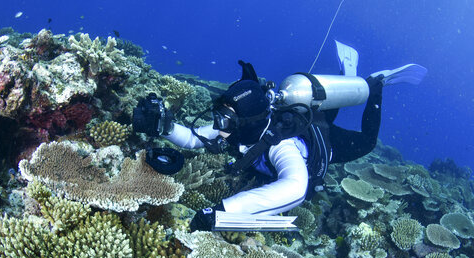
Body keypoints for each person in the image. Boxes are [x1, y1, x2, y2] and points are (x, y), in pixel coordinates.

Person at [133, 60, 424, 231]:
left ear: (247, 123)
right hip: (305, 120)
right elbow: (194, 138)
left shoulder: (280, 146)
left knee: (367, 144)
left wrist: (222, 210)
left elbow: (295, 189)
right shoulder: (234, 124)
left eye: (225, 121)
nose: (218, 126)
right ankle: (343, 82)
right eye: (218, 117)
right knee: (321, 112)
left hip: (325, 143)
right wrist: (165, 127)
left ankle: (375, 86)